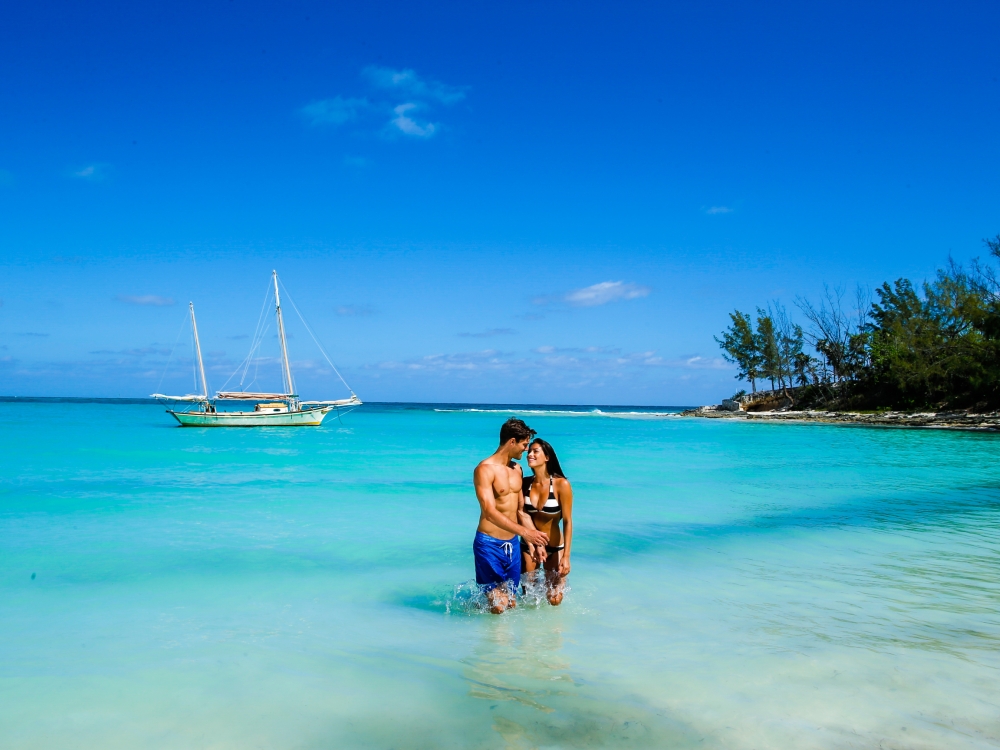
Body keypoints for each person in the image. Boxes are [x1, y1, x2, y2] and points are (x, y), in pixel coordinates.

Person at [473, 418, 549, 614]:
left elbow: (521, 511)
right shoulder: (484, 469)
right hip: (488, 544)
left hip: (512, 546)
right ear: (512, 441)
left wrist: (535, 542)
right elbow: (489, 512)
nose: (526, 450)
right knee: (499, 606)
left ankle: (501, 640)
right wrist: (525, 532)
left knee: (511, 603)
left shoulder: (517, 469)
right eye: (524, 445)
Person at [519, 438, 574, 606]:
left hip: (555, 546)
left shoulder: (561, 484)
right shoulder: (525, 483)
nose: (530, 454)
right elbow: (520, 514)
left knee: (554, 599)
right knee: (529, 597)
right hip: (530, 546)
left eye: (535, 451)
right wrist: (533, 543)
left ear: (547, 457)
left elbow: (567, 522)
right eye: (529, 451)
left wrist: (566, 557)